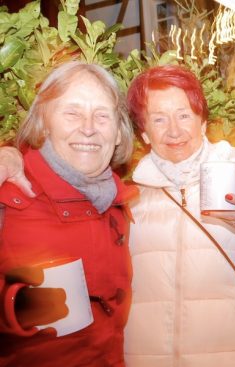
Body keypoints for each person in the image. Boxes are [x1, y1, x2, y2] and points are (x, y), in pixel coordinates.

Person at [122, 64, 235, 366]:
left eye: (184, 115)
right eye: (159, 119)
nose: (174, 131)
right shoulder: (128, 197)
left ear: (202, 122)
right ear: (144, 133)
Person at [0, 61, 136, 366]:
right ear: (45, 123)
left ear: (117, 133)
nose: (88, 128)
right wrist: (17, 307)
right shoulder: (8, 197)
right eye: (72, 113)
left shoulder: (118, 205)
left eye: (102, 116)